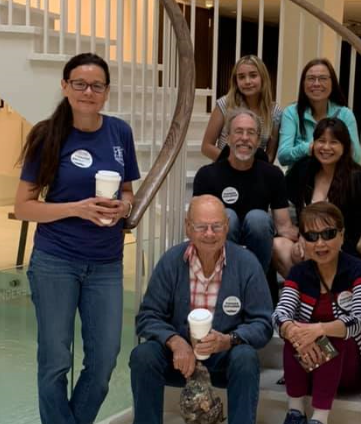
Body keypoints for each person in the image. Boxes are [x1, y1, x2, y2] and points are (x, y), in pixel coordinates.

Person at [15, 53, 140, 424]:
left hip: (105, 263)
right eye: (80, 84)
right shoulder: (46, 135)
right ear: (65, 87)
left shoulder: (120, 132)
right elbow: (24, 207)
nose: (89, 91)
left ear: (106, 91)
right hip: (56, 260)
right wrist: (76, 208)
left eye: (97, 85)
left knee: (104, 360)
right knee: (55, 360)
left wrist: (123, 207)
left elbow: (129, 191)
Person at [129, 195, 273, 424]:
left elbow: (264, 323)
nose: (209, 233)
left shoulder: (247, 263)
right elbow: (147, 316)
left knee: (246, 358)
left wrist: (229, 339)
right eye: (201, 227)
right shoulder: (171, 262)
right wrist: (176, 342)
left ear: (226, 227)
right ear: (188, 227)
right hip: (179, 359)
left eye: (216, 226)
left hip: (224, 357)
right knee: (143, 355)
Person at [273, 202, 361, 424]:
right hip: (309, 364)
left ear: (342, 235)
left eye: (328, 234)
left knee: (332, 333)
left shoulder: (356, 270)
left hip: (350, 367)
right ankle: (296, 412)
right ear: (302, 240)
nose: (320, 243)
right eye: (312, 236)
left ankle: (320, 418)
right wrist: (293, 330)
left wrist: (319, 329)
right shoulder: (298, 273)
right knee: (293, 332)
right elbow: (280, 314)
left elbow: (359, 321)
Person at [194, 108, 298, 274]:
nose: (244, 138)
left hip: (259, 237)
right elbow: (197, 222)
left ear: (258, 141)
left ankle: (256, 281)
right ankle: (226, 279)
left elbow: (284, 226)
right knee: (227, 216)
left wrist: (307, 239)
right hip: (218, 241)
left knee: (258, 218)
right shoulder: (206, 175)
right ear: (228, 138)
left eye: (251, 133)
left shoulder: (272, 174)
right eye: (238, 131)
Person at [273, 118, 361, 278]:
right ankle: (303, 294)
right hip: (309, 242)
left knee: (313, 250)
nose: (326, 147)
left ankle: (319, 298)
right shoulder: (304, 169)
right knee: (279, 245)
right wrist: (296, 232)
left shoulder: (356, 177)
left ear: (345, 147)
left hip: (343, 247)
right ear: (313, 144)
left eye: (334, 142)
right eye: (321, 141)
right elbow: (278, 192)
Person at [278, 57, 361, 167]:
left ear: (333, 83)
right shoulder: (292, 112)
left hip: (337, 178)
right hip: (299, 179)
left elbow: (356, 157)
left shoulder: (345, 114)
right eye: (311, 78)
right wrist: (310, 147)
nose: (316, 84)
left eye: (323, 78)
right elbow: (283, 156)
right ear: (303, 83)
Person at [201, 55, 282, 163]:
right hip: (224, 169)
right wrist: (234, 164)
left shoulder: (274, 111)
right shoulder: (225, 104)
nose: (247, 81)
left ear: (263, 78)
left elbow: (270, 154)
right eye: (241, 77)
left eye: (253, 76)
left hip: (255, 173)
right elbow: (206, 147)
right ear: (236, 81)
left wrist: (253, 169)